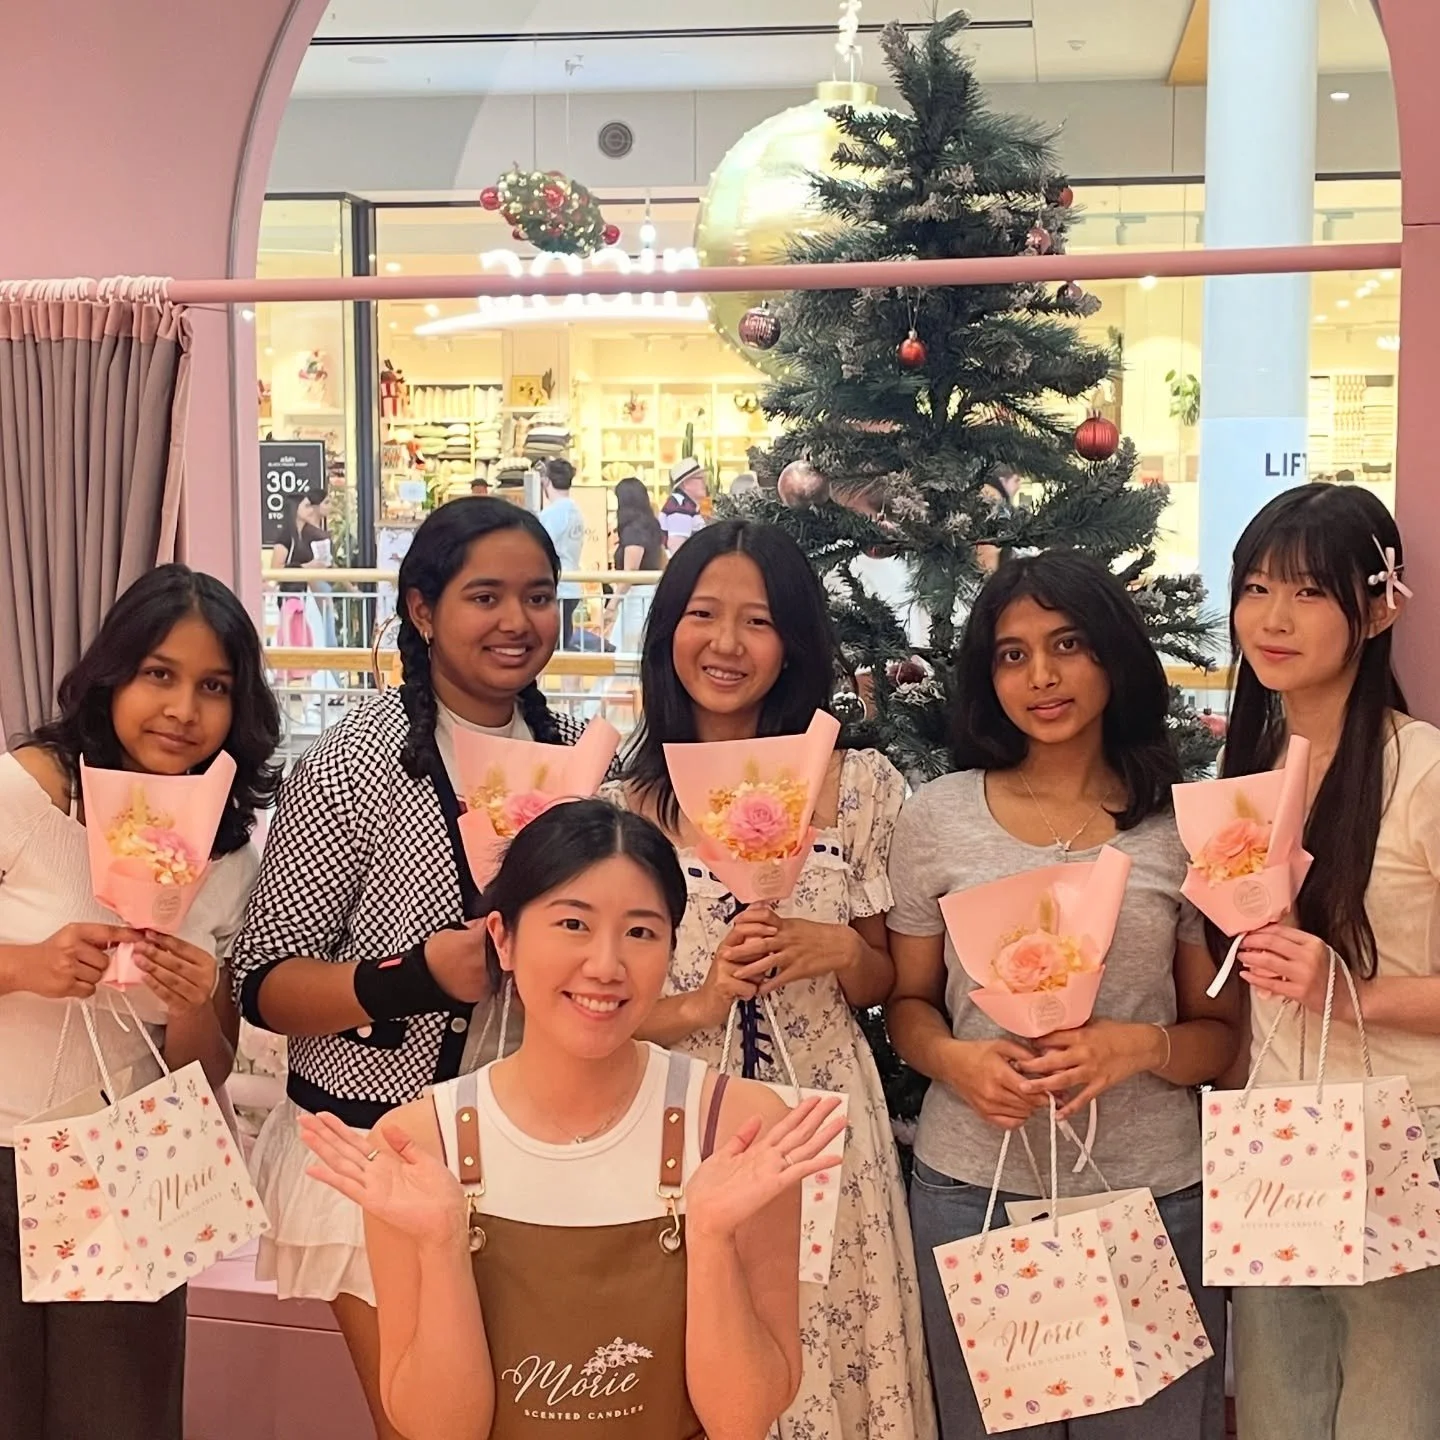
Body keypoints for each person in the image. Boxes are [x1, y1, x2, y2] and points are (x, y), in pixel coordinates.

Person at [299, 800, 847, 1440]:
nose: (606, 966)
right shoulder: (420, 1144)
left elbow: (741, 1419)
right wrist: (442, 1243)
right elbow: (439, 1431)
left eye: (641, 933)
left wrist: (712, 1238)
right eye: (572, 924)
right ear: (502, 938)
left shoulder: (738, 1127)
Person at [230, 497, 592, 1440]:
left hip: (540, 1153)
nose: (517, 621)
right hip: (376, 1152)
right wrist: (413, 977)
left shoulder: (576, 758)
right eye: (485, 596)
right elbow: (262, 982)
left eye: (539, 596)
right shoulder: (352, 762)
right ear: (423, 611)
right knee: (430, 1427)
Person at [886, 550, 1239, 1440]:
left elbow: (1218, 1035)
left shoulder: (1179, 827)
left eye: (1068, 644)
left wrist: (1138, 1047)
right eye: (1013, 654)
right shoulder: (938, 817)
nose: (1041, 676)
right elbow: (907, 1006)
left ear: (1113, 655)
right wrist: (956, 1062)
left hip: (1152, 1196)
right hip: (975, 1190)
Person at [607, 518, 935, 1440]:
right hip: (675, 1121)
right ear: (668, 630)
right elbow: (597, 1017)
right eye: (703, 615)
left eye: (757, 621)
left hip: (820, 1118)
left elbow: (885, 980)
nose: (727, 643)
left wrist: (841, 953)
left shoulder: (857, 786)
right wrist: (703, 1000)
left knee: (824, 1357)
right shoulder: (619, 806)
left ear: (791, 643)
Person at [0, 564, 280, 1440]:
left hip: (122, 1166)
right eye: (160, 674)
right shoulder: (26, 791)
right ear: (113, 675)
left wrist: (195, 999)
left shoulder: (225, 851)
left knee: (116, 1417)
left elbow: (204, 1068)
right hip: (1, 1147)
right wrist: (25, 965)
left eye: (214, 687)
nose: (183, 710)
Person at [1217, 484, 1440, 1440]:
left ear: (1379, 608)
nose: (1272, 618)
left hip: (1401, 1134)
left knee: (1393, 1408)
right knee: (1279, 1407)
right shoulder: (1248, 765)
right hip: (1272, 1135)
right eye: (1256, 587)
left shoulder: (1421, 769)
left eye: (1309, 592)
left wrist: (1350, 993)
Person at [605, 475, 666, 654]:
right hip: (648, 594)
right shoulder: (651, 525)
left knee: (628, 651)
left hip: (636, 599)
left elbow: (630, 572)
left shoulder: (634, 530)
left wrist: (611, 605)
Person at [537, 458, 587, 648]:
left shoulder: (551, 514)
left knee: (551, 647)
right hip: (572, 585)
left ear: (546, 481)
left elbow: (542, 547)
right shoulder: (576, 511)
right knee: (563, 644)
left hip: (558, 587)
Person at [659, 456, 709, 556]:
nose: (705, 482)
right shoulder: (680, 507)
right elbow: (677, 548)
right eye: (700, 478)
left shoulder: (685, 504)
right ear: (686, 483)